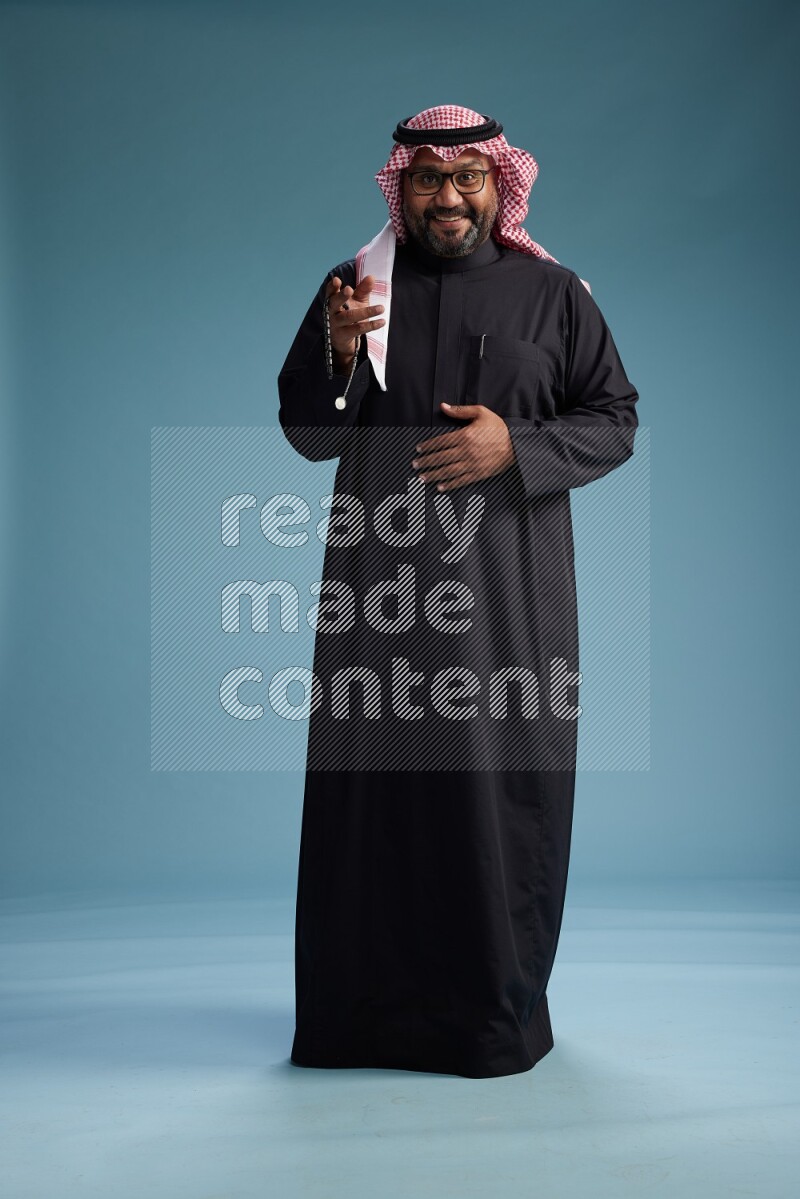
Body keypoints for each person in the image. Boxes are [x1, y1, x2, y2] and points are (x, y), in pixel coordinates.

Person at [277, 104, 638, 1079]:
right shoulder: (355, 289)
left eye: (467, 177)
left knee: (494, 801)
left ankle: (489, 1023)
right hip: (377, 604)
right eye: (429, 178)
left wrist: (514, 446)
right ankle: (356, 1023)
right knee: (372, 802)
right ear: (402, 187)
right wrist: (338, 355)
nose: (448, 196)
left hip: (507, 606)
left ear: (497, 184)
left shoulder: (553, 295)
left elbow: (613, 419)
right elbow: (309, 434)